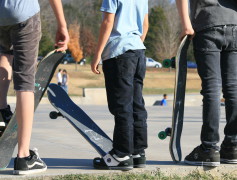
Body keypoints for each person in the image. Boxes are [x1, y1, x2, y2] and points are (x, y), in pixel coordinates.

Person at [0, 0, 69, 175]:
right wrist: (62, 25)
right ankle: (24, 157)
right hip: (24, 14)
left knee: (5, 55)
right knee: (25, 81)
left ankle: (0, 110)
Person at [176, 0, 237, 166]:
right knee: (233, 88)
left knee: (212, 88)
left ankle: (209, 148)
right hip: (234, 24)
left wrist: (186, 25)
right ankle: (233, 146)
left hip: (207, 23)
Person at [91, 0, 149, 170]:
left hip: (119, 53)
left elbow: (108, 22)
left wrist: (97, 54)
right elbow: (145, 25)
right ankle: (138, 153)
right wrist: (134, 43)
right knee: (137, 104)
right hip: (138, 51)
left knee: (122, 105)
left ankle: (122, 154)